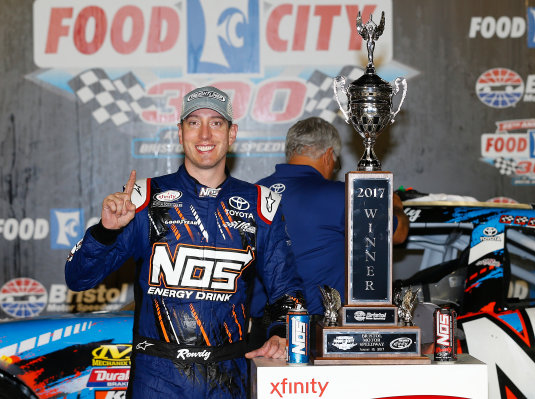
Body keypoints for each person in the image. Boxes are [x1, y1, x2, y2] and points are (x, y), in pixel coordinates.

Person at [65, 86, 306, 399]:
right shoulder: (143, 199)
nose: (204, 134)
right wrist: (106, 232)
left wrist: (281, 333)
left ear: (232, 134)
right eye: (193, 123)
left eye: (216, 123)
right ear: (180, 134)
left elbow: (288, 291)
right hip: (157, 379)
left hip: (228, 379)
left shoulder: (261, 204)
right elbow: (78, 278)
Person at [249, 117, 409, 323]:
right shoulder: (343, 195)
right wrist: (395, 204)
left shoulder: (253, 193)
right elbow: (398, 234)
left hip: (259, 329)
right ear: (328, 156)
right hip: (316, 330)